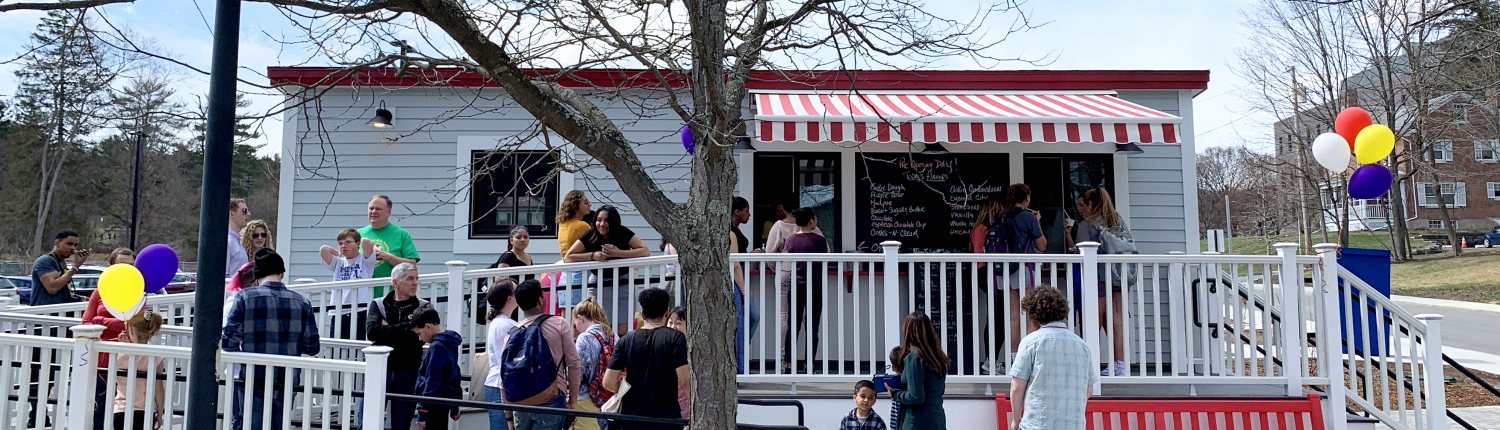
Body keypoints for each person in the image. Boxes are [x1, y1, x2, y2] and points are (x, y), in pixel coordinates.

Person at [222, 248, 321, 430]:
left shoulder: (244, 297)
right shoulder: (302, 302)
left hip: (254, 375)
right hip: (287, 376)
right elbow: (312, 347)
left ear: (257, 276)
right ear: (282, 273)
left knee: (251, 424)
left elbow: (229, 342)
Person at [1065, 188, 1133, 376]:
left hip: (1099, 278)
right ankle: (1120, 364)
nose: (1082, 209)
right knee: (1117, 322)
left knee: (1093, 320)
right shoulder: (1117, 220)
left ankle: (1091, 363)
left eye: (1084, 204)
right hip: (1120, 274)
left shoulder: (1088, 225)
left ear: (1091, 204)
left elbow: (1080, 253)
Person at [1007, 286, 1095, 430]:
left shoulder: (1031, 342)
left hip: (1037, 425)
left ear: (1034, 313)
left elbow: (1016, 387)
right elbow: (1089, 389)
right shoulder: (1082, 345)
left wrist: (1016, 420)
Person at [603, 288, 690, 430]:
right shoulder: (676, 339)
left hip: (631, 418)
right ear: (666, 313)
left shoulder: (626, 340)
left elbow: (608, 382)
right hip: (666, 419)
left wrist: (628, 389)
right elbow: (685, 381)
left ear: (643, 314)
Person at [507, 279, 582, 430]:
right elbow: (573, 363)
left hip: (520, 402)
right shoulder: (558, 324)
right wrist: (573, 400)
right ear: (540, 300)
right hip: (551, 396)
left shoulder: (512, 332)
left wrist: (508, 415)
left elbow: (504, 376)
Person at [564, 205, 649, 334]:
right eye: (598, 220)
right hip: (598, 283)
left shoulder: (623, 232)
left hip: (622, 283)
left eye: (606, 220)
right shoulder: (591, 234)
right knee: (597, 325)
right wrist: (593, 255)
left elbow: (645, 251)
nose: (602, 224)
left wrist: (618, 253)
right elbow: (568, 257)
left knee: (622, 328)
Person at [365, 262, 430, 430]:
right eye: (409, 279)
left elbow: (422, 336)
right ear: (395, 282)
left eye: (416, 278)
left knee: (401, 424)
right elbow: (372, 332)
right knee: (367, 420)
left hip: (408, 371)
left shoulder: (423, 306)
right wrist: (408, 326)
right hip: (380, 370)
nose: (415, 283)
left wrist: (387, 328)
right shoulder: (378, 304)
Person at [986, 184, 1045, 359]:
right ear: (1027, 198)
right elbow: (1042, 245)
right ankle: (1027, 353)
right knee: (1033, 313)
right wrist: (1038, 222)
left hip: (1004, 269)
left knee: (1013, 316)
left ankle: (1013, 355)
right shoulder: (1028, 217)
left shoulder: (1001, 215)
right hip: (1023, 268)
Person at [83, 247, 134, 430]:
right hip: (101, 357)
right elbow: (86, 322)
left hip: (126, 358)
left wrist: (101, 321)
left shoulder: (137, 293)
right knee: (99, 406)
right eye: (121, 265)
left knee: (123, 409)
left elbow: (132, 325)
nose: (126, 269)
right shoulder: (99, 292)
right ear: (110, 266)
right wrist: (111, 322)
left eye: (130, 266)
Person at [781, 208, 828, 373]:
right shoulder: (820, 241)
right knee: (813, 325)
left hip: (796, 283)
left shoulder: (791, 240)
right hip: (814, 283)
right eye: (815, 218)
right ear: (811, 221)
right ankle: (810, 364)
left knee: (793, 325)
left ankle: (789, 364)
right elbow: (826, 259)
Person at [885, 312, 948, 430]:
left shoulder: (914, 358)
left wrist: (894, 392)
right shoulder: (938, 356)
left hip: (916, 421)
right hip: (937, 417)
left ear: (910, 331)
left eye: (905, 327)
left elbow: (916, 397)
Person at [112, 311, 167, 430]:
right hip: (145, 410)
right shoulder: (155, 357)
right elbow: (158, 389)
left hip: (122, 409)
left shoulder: (119, 354)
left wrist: (122, 345)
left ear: (131, 330)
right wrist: (160, 412)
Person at [321, 228, 378, 340]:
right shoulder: (338, 262)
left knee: (358, 342)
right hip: (338, 310)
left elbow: (366, 242)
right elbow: (324, 250)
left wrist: (357, 239)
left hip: (360, 310)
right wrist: (336, 252)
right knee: (337, 345)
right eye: (340, 243)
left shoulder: (365, 260)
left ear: (357, 243)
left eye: (347, 242)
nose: (343, 246)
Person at [413, 305, 464, 430]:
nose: (420, 339)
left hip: (433, 405)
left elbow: (432, 380)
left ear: (428, 327)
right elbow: (455, 374)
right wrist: (455, 405)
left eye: (419, 333)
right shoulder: (450, 343)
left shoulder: (437, 347)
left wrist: (422, 411)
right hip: (444, 401)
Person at [360, 194, 421, 299]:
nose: (374, 212)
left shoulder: (401, 234)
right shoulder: (358, 234)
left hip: (392, 296)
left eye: (378, 209)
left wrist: (388, 257)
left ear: (389, 212)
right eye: (371, 208)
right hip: (361, 297)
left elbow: (412, 264)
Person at [728, 196, 762, 374]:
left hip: (738, 276)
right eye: (747, 210)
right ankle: (738, 363)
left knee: (748, 319)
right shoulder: (731, 232)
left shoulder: (735, 232)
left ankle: (739, 356)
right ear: (737, 211)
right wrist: (743, 291)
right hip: (736, 280)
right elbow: (735, 264)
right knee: (748, 319)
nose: (749, 214)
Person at [573, 297, 616, 430]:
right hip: (609, 398)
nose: (576, 329)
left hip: (585, 398)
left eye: (575, 325)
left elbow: (577, 371)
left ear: (580, 318)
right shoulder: (613, 336)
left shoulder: (584, 338)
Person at [484, 279, 520, 430]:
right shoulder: (507, 325)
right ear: (509, 298)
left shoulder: (498, 322)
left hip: (494, 384)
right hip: (501, 386)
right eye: (516, 290)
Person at [31, 229, 88, 306]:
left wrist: (84, 298)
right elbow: (52, 288)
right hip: (45, 314)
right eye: (69, 244)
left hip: (60, 313)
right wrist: (75, 267)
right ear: (57, 242)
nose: (73, 248)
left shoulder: (62, 263)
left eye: (75, 245)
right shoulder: (45, 261)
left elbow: (62, 293)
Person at [666, 306, 690, 424]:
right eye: (670, 322)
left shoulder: (691, 350)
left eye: (678, 323)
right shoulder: (665, 346)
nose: (673, 327)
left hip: (686, 401)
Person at [227, 198, 252, 279]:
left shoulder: (236, 242)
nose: (248, 214)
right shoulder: (227, 242)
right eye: (244, 211)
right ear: (232, 214)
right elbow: (224, 275)